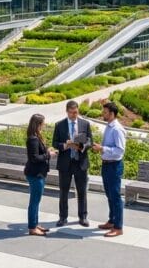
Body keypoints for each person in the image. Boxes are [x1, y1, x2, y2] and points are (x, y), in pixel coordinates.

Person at [52, 100, 93, 227]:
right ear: (67, 112)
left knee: (82, 192)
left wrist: (82, 147)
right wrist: (66, 145)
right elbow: (54, 143)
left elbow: (90, 141)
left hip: (80, 163)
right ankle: (63, 218)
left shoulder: (85, 124)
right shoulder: (59, 125)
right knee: (63, 192)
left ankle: (83, 217)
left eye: (76, 112)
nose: (74, 115)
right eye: (71, 113)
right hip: (65, 164)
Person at [92, 102, 126, 238]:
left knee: (116, 196)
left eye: (105, 112)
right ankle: (112, 221)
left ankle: (118, 227)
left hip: (114, 166)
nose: (102, 114)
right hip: (106, 165)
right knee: (109, 195)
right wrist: (100, 149)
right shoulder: (109, 127)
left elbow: (120, 150)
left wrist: (102, 149)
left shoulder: (117, 129)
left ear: (112, 114)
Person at [24, 113, 56, 236]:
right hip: (35, 174)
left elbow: (38, 153)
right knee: (34, 201)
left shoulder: (36, 136)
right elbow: (34, 158)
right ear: (38, 124)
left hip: (39, 173)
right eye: (43, 122)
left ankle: (35, 224)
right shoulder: (33, 139)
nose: (44, 124)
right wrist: (49, 155)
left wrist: (47, 150)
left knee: (36, 200)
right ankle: (32, 228)